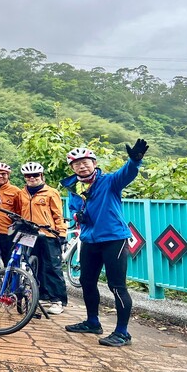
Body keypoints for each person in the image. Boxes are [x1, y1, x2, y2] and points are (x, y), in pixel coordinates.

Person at [62, 139, 148, 347]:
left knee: (116, 286)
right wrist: (76, 216)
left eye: (86, 161)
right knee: (86, 281)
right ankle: (93, 322)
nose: (82, 165)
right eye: (77, 163)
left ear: (94, 162)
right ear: (72, 168)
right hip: (89, 240)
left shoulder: (109, 181)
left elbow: (126, 174)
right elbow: (73, 209)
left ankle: (122, 333)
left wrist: (134, 160)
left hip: (113, 239)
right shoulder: (74, 188)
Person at [16, 162, 67, 315]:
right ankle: (42, 295)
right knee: (31, 265)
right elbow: (20, 212)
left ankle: (57, 300)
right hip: (29, 234)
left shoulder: (51, 192)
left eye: (35, 175)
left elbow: (58, 214)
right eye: (28, 176)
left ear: (41, 176)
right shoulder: (21, 193)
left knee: (52, 267)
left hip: (48, 233)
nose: (32, 178)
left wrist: (62, 233)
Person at [0, 163, 22, 267]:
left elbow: (20, 213)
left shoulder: (16, 191)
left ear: (8, 175)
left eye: (4, 174)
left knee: (9, 262)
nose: (0, 176)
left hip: (7, 233)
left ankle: (11, 283)